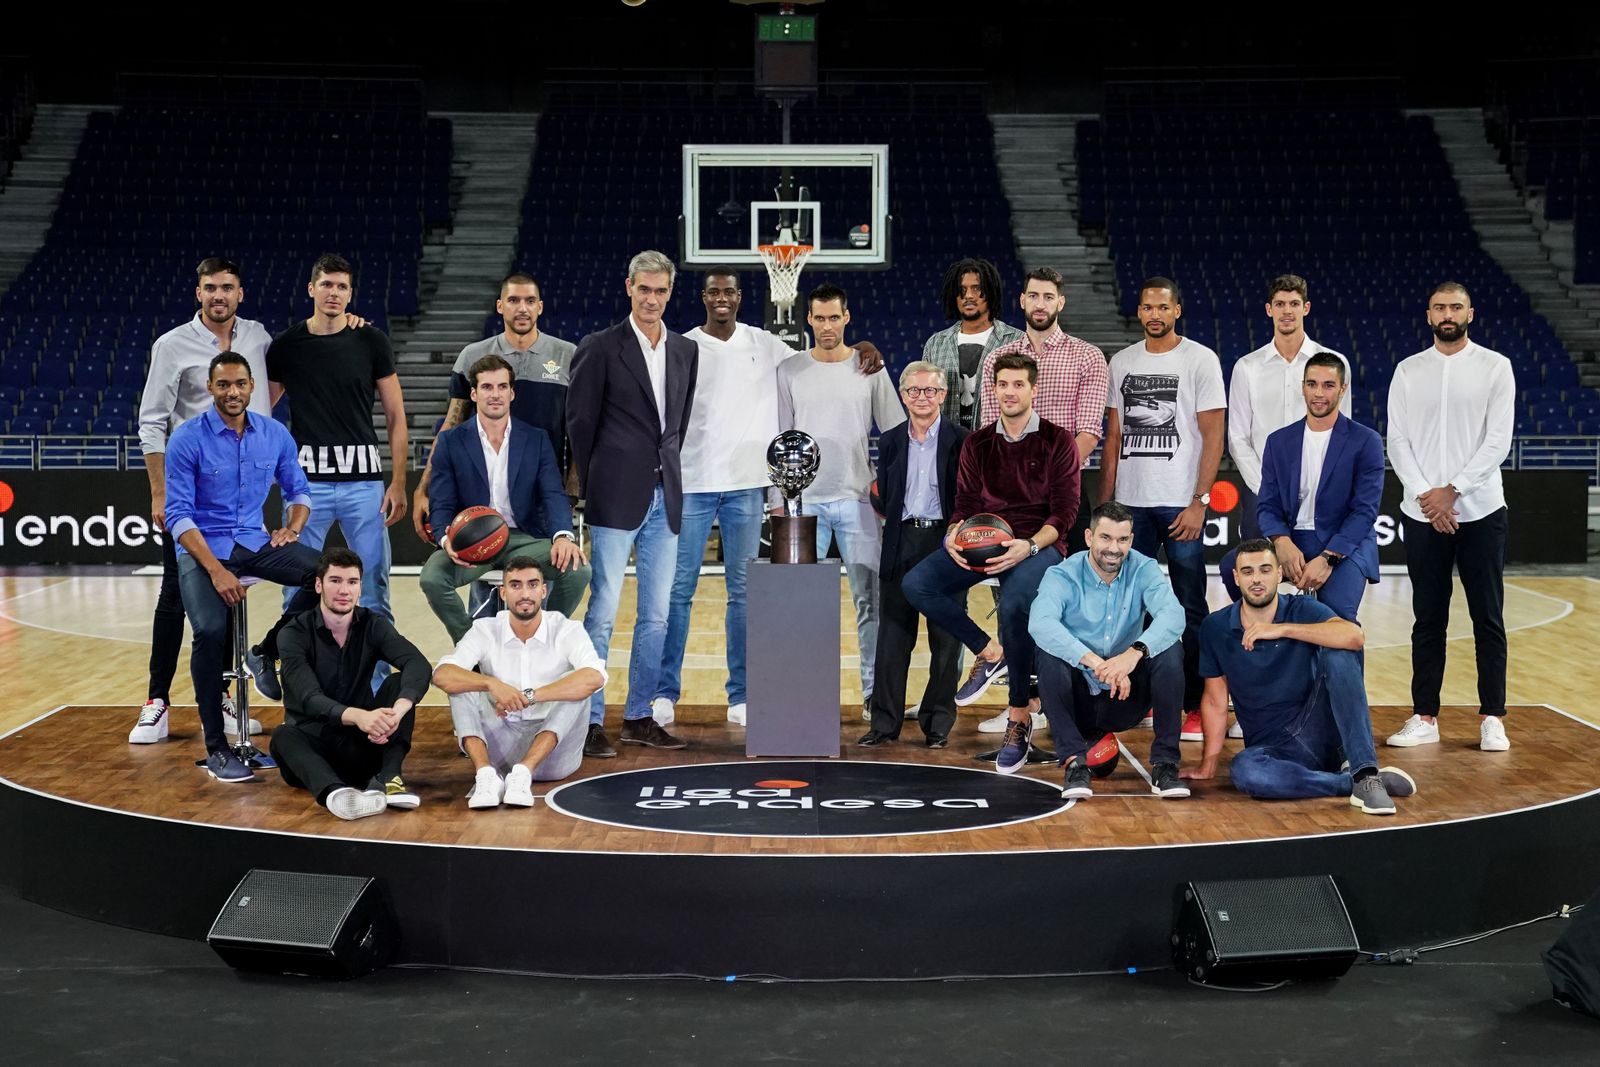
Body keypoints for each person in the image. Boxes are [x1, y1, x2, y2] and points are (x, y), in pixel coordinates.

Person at [653, 267, 882, 728]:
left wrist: (863, 347)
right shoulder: (681, 345)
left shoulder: (766, 345)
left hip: (747, 488)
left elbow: (821, 355)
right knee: (678, 593)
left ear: (740, 297)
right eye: (714, 291)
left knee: (743, 595)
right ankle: (663, 692)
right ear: (703, 297)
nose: (722, 298)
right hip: (693, 485)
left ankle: (742, 693)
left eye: (730, 292)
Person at [903, 353, 1080, 773]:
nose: (1010, 392)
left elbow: (1065, 514)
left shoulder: (1058, 440)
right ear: (993, 389)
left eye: (1019, 384)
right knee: (917, 584)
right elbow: (965, 504)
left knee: (1017, 603)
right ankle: (989, 650)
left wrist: (1029, 547)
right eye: (1003, 384)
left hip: (1038, 547)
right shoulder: (978, 443)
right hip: (985, 539)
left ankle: (1018, 717)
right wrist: (952, 534)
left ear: (1034, 390)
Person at [131, 256, 273, 745]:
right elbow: (152, 421)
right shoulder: (171, 346)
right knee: (175, 596)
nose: (219, 296)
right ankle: (157, 700)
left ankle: (224, 694)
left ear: (240, 292)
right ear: (198, 293)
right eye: (210, 287)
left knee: (232, 594)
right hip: (189, 494)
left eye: (227, 288)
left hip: (242, 496)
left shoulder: (259, 339)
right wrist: (160, 492)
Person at [163, 352, 322, 782]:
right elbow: (178, 516)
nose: (232, 392)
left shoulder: (274, 434)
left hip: (255, 542)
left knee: (324, 575)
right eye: (223, 385)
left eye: (240, 384)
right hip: (204, 550)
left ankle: (267, 648)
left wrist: (292, 527)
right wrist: (216, 570)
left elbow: (299, 491)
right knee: (211, 631)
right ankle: (216, 746)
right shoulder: (186, 439)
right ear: (210, 388)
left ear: (252, 386)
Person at [567, 249, 698, 758]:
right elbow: (579, 423)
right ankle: (592, 719)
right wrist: (594, 482)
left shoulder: (686, 350)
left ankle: (639, 715)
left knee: (657, 615)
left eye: (660, 291)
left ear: (669, 293)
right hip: (614, 495)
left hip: (666, 494)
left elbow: (677, 426)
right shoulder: (599, 347)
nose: (651, 299)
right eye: (643, 289)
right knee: (602, 612)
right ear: (628, 288)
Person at [1182, 540, 1418, 815]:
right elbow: (1214, 700)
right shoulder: (1216, 627)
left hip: (1321, 730)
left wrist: (1282, 629)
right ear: (1236, 578)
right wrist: (1208, 763)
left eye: (1265, 570)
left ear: (1279, 574)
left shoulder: (1302, 608)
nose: (1256, 579)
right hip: (1272, 748)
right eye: (1247, 572)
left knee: (1339, 654)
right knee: (1245, 772)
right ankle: (1348, 783)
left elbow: (1355, 637)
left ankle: (1365, 773)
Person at [267, 253, 409, 694]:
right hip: (305, 487)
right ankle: (298, 682)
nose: (334, 293)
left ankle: (377, 687)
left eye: (342, 287)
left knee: (372, 588)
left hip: (364, 482)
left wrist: (399, 480)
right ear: (311, 289)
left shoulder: (371, 341)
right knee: (298, 588)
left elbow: (395, 414)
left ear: (351, 293)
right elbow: (262, 417)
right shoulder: (287, 346)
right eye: (326, 284)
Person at [1385, 282, 1516, 753]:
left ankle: (1492, 717)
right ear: (1427, 314)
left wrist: (1453, 492)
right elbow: (1396, 440)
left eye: (1455, 306)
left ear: (1470, 313)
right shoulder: (1407, 370)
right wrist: (1428, 497)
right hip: (1423, 513)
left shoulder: (1495, 367)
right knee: (1428, 618)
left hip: (1480, 510)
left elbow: (1498, 441)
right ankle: (1425, 715)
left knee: (1488, 617)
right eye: (1439, 306)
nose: (1447, 313)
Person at [1099, 277, 1225, 736]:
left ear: (1177, 311)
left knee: (1189, 605)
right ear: (1139, 311)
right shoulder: (1122, 361)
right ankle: (1146, 697)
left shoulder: (1200, 359)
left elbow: (1214, 434)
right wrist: (1107, 506)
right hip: (1130, 508)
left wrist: (1200, 502)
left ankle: (1194, 702)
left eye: (1163, 307)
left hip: (1178, 505)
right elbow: (1113, 438)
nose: (1155, 314)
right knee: (1134, 608)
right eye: (1147, 307)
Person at [776, 281, 906, 715]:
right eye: (819, 318)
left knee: (870, 601)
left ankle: (872, 694)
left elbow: (895, 437)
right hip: (803, 504)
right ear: (808, 320)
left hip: (857, 501)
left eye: (835, 317)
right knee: (804, 605)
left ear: (847, 318)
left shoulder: (870, 368)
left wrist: (886, 491)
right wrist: (780, 499)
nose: (827, 325)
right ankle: (808, 694)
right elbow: (781, 441)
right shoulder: (789, 370)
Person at [419, 354, 590, 642]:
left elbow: (553, 493)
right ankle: (470, 644)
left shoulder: (536, 438)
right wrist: (447, 540)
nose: (494, 394)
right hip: (473, 542)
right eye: (486, 387)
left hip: (523, 537)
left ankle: (547, 638)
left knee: (578, 569)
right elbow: (441, 502)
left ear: (512, 392)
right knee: (432, 579)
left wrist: (563, 535)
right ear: (474, 393)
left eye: (501, 387)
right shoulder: (451, 441)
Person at [1027, 501, 1188, 799]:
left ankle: (1165, 764)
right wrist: (1097, 663)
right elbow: (1040, 623)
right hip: (1078, 698)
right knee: (1048, 653)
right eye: (1106, 538)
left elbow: (1173, 616)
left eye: (1122, 539)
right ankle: (1075, 764)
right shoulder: (1062, 574)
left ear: (1131, 540)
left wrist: (1133, 654)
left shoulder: (1144, 568)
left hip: (1125, 696)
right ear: (1089, 537)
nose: (1114, 548)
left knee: (1171, 651)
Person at [270, 548, 433, 820]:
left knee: (397, 683)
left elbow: (418, 664)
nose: (344, 590)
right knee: (282, 736)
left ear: (360, 587)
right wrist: (360, 717)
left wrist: (395, 715)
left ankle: (390, 779)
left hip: (363, 746)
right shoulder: (293, 633)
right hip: (314, 749)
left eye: (352, 582)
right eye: (335, 581)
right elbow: (309, 697)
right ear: (319, 584)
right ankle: (337, 795)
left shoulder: (373, 624)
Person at [413, 272, 577, 541]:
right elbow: (451, 425)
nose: (522, 308)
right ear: (500, 306)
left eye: (529, 300)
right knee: (482, 573)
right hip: (482, 494)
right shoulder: (473, 356)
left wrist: (570, 489)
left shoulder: (567, 355)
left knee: (547, 576)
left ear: (540, 306)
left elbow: (577, 430)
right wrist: (424, 487)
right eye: (513, 300)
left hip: (543, 493)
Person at [432, 557, 606, 810]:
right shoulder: (485, 629)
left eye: (532, 584)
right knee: (461, 685)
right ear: (503, 593)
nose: (525, 593)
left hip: (554, 756)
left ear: (543, 590)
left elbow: (594, 677)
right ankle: (485, 776)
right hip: (499, 750)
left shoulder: (567, 629)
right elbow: (441, 674)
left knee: (578, 689)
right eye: (515, 585)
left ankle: (523, 774)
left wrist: (530, 696)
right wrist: (490, 683)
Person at [859, 360, 969, 748]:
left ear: (943, 395)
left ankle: (937, 722)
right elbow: (885, 496)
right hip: (900, 539)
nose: (922, 397)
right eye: (914, 391)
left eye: (931, 390)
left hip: (945, 544)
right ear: (903, 396)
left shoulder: (962, 439)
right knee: (892, 636)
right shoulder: (889, 440)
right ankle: (884, 723)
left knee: (946, 640)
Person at [1237, 352, 1384, 624]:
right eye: (1312, 384)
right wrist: (1281, 543)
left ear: (1343, 389)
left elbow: (1364, 512)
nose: (1319, 393)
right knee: (1231, 571)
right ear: (1302, 387)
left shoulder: (1366, 441)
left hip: (1343, 543)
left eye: (1328, 385)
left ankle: (1337, 663)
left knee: (1337, 621)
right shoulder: (1278, 441)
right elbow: (1267, 505)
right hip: (1292, 539)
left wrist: (1328, 558)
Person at [1225, 274, 1351, 543]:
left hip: (1319, 493)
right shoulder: (1247, 367)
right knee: (1258, 579)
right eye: (1280, 304)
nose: (1287, 311)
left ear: (1306, 308)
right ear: (1269, 309)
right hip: (1261, 491)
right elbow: (1237, 438)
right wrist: (1267, 488)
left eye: (1294, 303)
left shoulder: (1335, 364)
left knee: (1316, 576)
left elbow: (1343, 432)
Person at [920, 257, 1023, 430]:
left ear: (990, 292)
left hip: (998, 445)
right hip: (948, 448)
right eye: (962, 290)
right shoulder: (936, 344)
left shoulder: (1016, 341)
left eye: (976, 288)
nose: (968, 295)